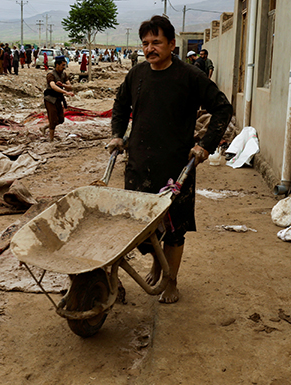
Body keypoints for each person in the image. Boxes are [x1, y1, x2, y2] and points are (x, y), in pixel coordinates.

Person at [107, 15, 232, 304]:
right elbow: (120, 104)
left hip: (177, 168)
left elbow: (222, 108)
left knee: (175, 229)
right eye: (146, 43)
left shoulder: (190, 76)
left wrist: (205, 146)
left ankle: (172, 280)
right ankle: (156, 261)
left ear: (172, 44)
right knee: (142, 227)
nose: (150, 48)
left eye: (157, 42)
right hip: (139, 165)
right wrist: (117, 134)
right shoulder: (136, 74)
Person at [42, 56, 74, 142]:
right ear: (57, 65)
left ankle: (44, 127)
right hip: (50, 99)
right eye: (63, 65)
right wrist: (65, 92)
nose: (64, 67)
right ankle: (51, 140)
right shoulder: (51, 75)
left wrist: (63, 85)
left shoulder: (64, 74)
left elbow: (70, 86)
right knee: (52, 119)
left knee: (60, 119)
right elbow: (53, 86)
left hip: (58, 99)